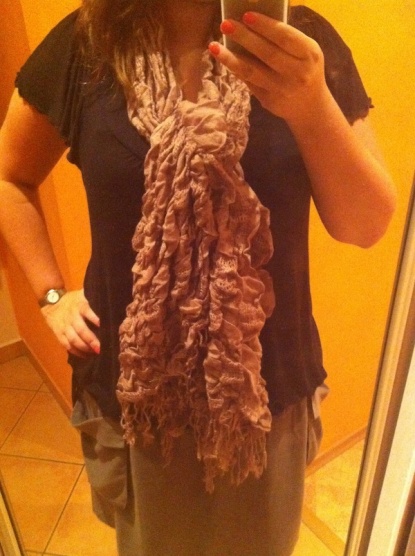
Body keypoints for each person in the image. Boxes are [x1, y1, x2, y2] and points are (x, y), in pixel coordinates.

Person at [0, 1, 396, 554]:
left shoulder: (301, 43)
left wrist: (311, 106)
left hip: (263, 394)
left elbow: (364, 225)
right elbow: (11, 177)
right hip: (138, 397)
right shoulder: (86, 44)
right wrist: (50, 294)